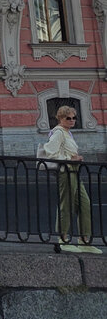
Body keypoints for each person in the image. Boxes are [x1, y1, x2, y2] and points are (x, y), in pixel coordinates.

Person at [41, 106, 102, 254]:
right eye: (68, 118)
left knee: (85, 204)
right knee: (66, 204)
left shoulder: (68, 133)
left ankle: (84, 241)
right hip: (65, 171)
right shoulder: (59, 133)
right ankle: (63, 239)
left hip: (73, 171)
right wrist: (70, 158)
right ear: (60, 118)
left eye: (74, 117)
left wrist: (75, 158)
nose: (72, 120)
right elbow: (50, 152)